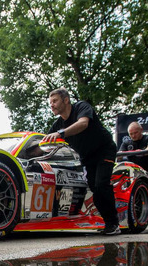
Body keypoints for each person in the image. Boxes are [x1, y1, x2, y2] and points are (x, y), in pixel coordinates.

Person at [42, 88, 121, 235]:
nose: (51, 105)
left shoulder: (81, 107)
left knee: (101, 184)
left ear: (66, 100)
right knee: (94, 189)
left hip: (104, 149)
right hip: (87, 157)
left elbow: (83, 123)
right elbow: (44, 144)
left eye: (55, 101)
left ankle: (113, 223)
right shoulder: (58, 124)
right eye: (50, 102)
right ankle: (109, 223)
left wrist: (61, 133)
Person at [118, 122, 148, 228]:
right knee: (134, 195)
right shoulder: (127, 143)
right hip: (133, 174)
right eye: (131, 134)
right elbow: (119, 155)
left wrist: (146, 150)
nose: (133, 136)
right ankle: (138, 217)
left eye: (135, 133)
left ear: (141, 130)